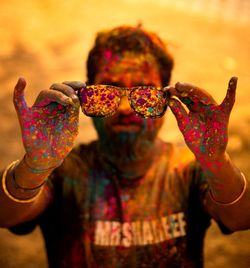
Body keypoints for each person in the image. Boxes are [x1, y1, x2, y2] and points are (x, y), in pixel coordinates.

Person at [0, 25, 249, 268]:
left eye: (145, 95)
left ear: (168, 98)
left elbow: (241, 219)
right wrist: (35, 165)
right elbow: (5, 214)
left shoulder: (189, 169)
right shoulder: (64, 171)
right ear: (84, 94)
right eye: (107, 92)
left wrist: (217, 161)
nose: (124, 108)